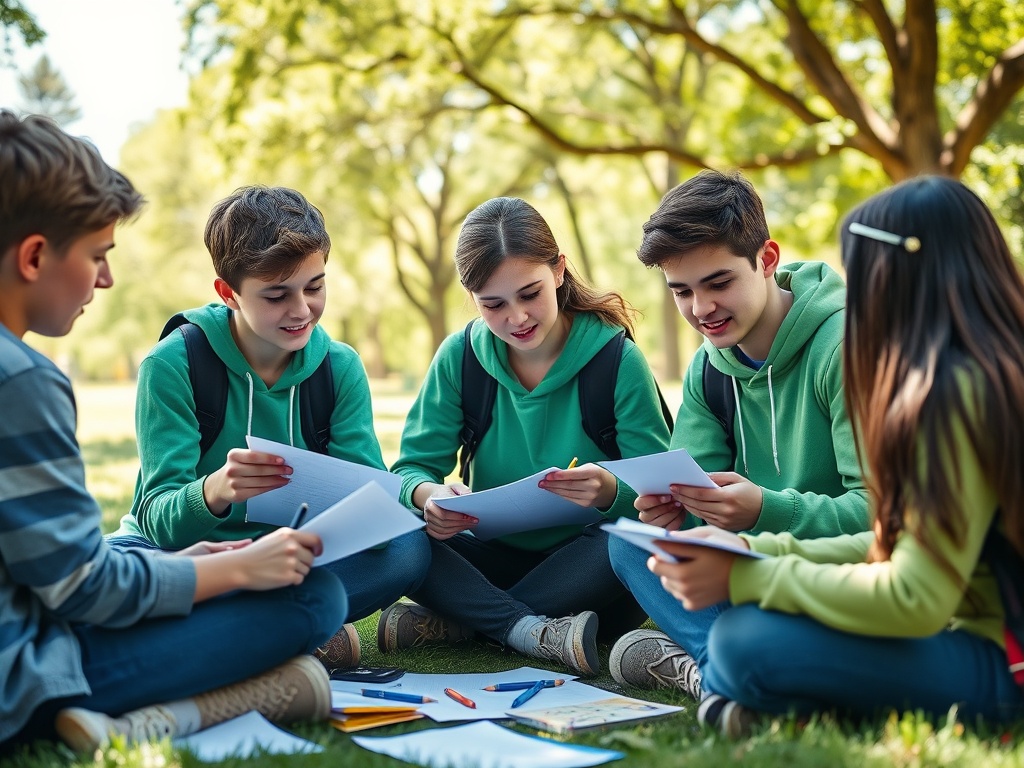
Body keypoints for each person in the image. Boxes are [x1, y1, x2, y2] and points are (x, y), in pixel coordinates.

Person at [0, 111, 346, 754]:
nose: (105, 280)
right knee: (312, 600)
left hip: (36, 619)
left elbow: (46, 568)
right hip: (20, 674)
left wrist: (189, 564)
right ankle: (160, 713)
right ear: (34, 256)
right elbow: (83, 590)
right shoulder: (21, 379)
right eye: (97, 256)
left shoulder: (337, 365)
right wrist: (236, 568)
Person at [651, 175, 1024, 736]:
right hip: (971, 627)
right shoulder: (982, 372)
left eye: (863, 275)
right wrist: (752, 550)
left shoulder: (953, 395)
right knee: (722, 621)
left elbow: (915, 596)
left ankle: (743, 687)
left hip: (1003, 660)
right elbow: (902, 543)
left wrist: (751, 576)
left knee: (742, 642)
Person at [108, 185, 430, 671]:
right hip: (193, 556)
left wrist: (380, 513)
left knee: (408, 551)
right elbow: (157, 519)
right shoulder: (174, 363)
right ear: (227, 293)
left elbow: (374, 509)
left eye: (315, 287)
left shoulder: (340, 368)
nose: (301, 310)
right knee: (115, 568)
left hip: (292, 558)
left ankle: (248, 631)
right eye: (277, 295)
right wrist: (215, 491)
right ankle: (289, 631)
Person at [380, 197, 671, 675]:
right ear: (471, 297)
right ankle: (527, 628)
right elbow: (409, 471)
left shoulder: (616, 359)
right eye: (493, 304)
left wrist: (607, 490)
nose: (517, 318)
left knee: (629, 544)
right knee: (404, 535)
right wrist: (430, 495)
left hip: (586, 566)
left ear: (558, 271)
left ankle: (466, 621)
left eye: (530, 293)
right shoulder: (459, 358)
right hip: (485, 556)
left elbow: (659, 498)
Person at [607, 170, 869, 698]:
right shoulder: (709, 369)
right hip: (750, 567)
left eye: (719, 283)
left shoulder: (846, 349)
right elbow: (694, 494)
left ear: (767, 260)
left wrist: (765, 510)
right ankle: (725, 667)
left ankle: (726, 664)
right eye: (681, 291)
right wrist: (673, 509)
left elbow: (885, 516)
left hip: (840, 571)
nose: (701, 310)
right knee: (630, 548)